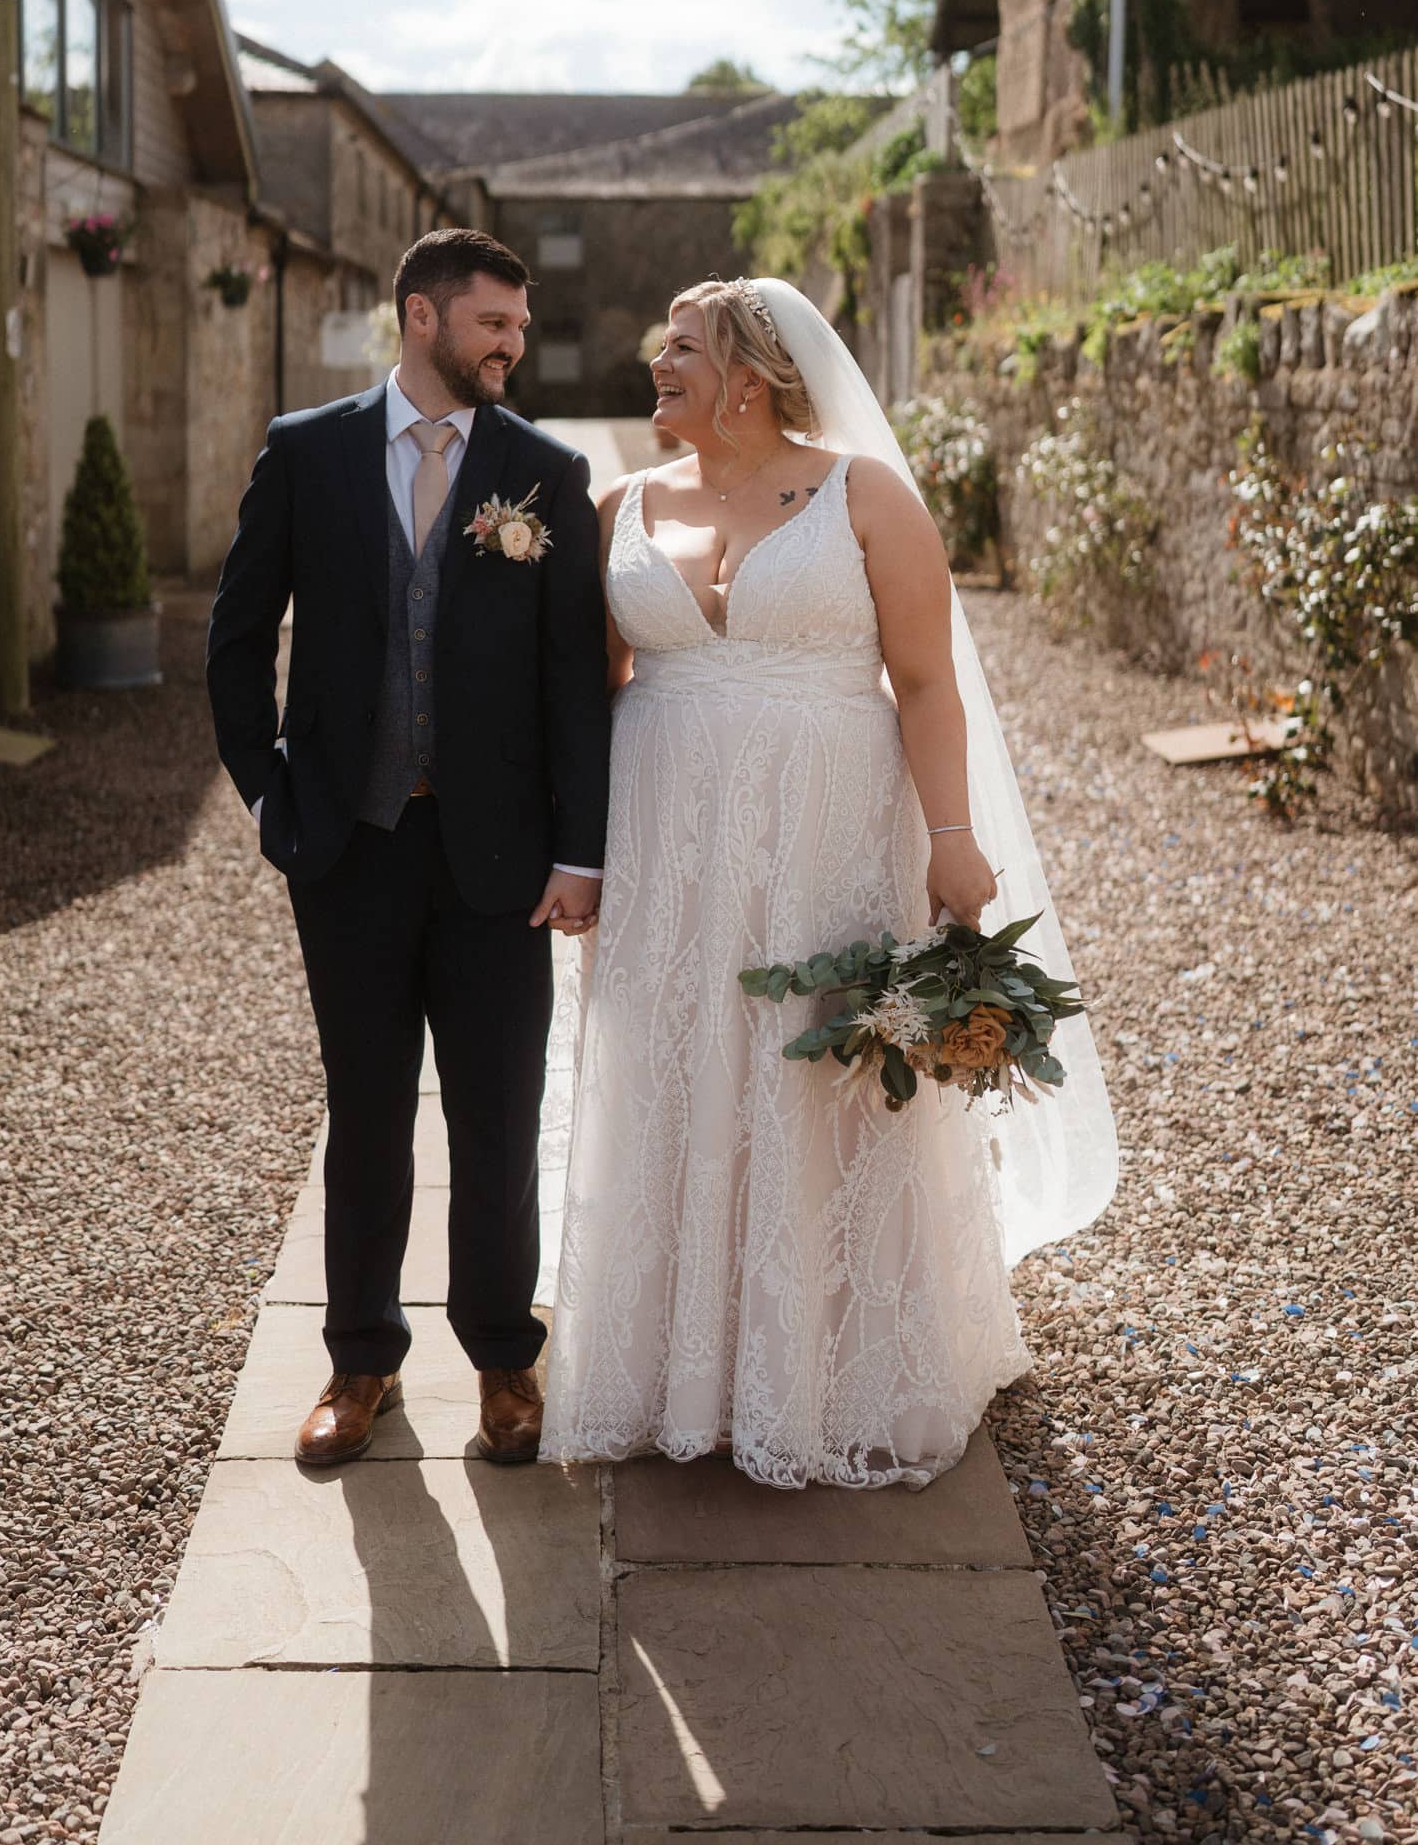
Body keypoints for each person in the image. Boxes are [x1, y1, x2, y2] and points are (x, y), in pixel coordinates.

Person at [539, 276, 1117, 1489]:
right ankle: (671, 1367)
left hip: (826, 833)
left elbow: (923, 681)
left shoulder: (866, 496)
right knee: (674, 1062)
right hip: (670, 845)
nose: (657, 364)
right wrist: (578, 852)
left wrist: (949, 834)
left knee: (818, 1074)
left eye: (680, 348)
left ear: (748, 375)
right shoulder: (618, 506)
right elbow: (587, 693)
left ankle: (829, 1365)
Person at [206, 228, 610, 1468]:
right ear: (422, 319)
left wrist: (579, 853)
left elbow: (573, 687)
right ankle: (358, 1362)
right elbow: (236, 638)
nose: (513, 344)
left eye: (521, 327)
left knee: (495, 1113)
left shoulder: (542, 471)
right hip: (349, 847)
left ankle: (502, 1359)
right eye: (494, 322)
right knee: (366, 1112)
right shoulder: (308, 452)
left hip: (498, 856)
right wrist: (271, 798)